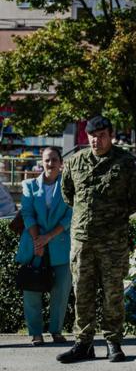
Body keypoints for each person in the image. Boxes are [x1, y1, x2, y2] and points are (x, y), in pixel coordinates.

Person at [58, 116, 136, 364]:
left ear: (111, 136)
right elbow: (68, 194)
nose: (96, 141)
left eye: (101, 136)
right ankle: (83, 343)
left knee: (113, 293)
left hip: (112, 240)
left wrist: (115, 215)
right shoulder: (75, 161)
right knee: (82, 292)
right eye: (92, 136)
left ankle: (113, 342)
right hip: (83, 240)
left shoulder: (127, 162)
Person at [18, 146, 71, 346]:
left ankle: (56, 331)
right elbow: (27, 213)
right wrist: (37, 241)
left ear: (61, 163)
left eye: (54, 160)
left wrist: (48, 237)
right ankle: (36, 333)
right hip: (34, 245)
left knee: (61, 291)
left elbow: (70, 216)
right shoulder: (29, 185)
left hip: (60, 245)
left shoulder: (68, 185)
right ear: (42, 162)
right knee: (31, 290)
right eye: (47, 160)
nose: (50, 163)